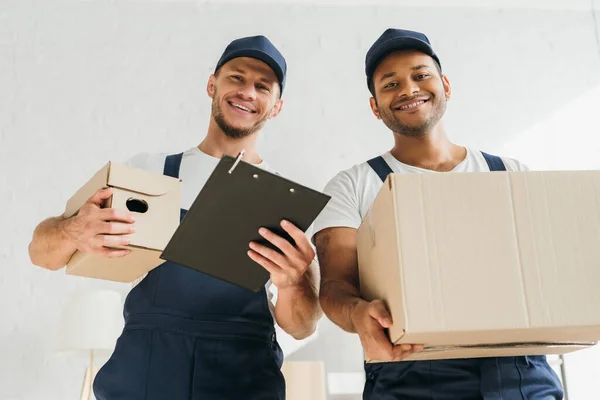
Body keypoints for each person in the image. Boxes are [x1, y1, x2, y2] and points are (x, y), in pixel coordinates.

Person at [28, 35, 321, 400]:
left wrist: (295, 283)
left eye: (263, 87)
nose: (248, 92)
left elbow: (303, 326)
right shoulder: (150, 173)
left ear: (276, 107)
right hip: (146, 373)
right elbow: (40, 252)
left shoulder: (287, 201)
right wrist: (73, 231)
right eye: (237, 78)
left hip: (242, 379)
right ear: (212, 84)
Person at [312, 28, 563, 399]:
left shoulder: (509, 173)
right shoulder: (354, 185)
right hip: (411, 369)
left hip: (519, 367)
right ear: (375, 106)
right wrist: (358, 316)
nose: (409, 89)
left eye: (420, 75)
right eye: (390, 83)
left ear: (445, 84)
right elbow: (334, 286)